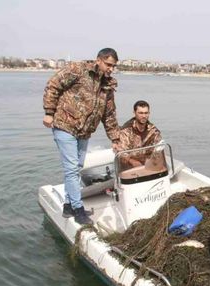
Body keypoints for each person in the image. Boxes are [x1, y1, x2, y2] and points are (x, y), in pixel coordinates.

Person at [42, 48, 119, 225]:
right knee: (71, 169)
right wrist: (49, 112)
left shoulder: (108, 85)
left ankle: (68, 206)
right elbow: (54, 85)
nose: (111, 69)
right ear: (98, 60)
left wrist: (115, 139)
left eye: (113, 66)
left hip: (84, 131)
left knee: (77, 167)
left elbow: (109, 115)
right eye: (108, 64)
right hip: (64, 125)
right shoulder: (78, 70)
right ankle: (78, 209)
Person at [112, 100, 162, 169]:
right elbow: (120, 152)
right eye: (140, 113)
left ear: (149, 113)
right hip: (128, 168)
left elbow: (159, 148)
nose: (144, 116)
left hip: (148, 166)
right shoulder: (125, 131)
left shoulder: (154, 131)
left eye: (146, 113)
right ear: (134, 113)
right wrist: (132, 161)